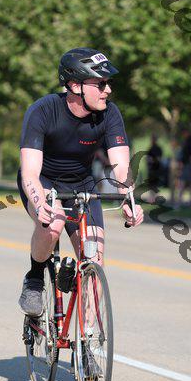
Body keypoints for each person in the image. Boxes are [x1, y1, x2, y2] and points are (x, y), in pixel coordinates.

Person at [17, 47, 144, 319]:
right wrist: (40, 203)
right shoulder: (43, 110)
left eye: (108, 83)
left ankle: (89, 338)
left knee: (94, 260)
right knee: (54, 223)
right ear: (75, 86)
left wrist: (128, 198)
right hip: (43, 180)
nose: (108, 90)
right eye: (101, 84)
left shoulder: (110, 114)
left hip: (82, 185)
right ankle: (35, 279)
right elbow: (30, 172)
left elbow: (121, 167)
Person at [177, 130, 191, 205]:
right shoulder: (187, 141)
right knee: (185, 181)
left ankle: (188, 199)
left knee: (188, 181)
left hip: (189, 164)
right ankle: (183, 199)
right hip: (186, 163)